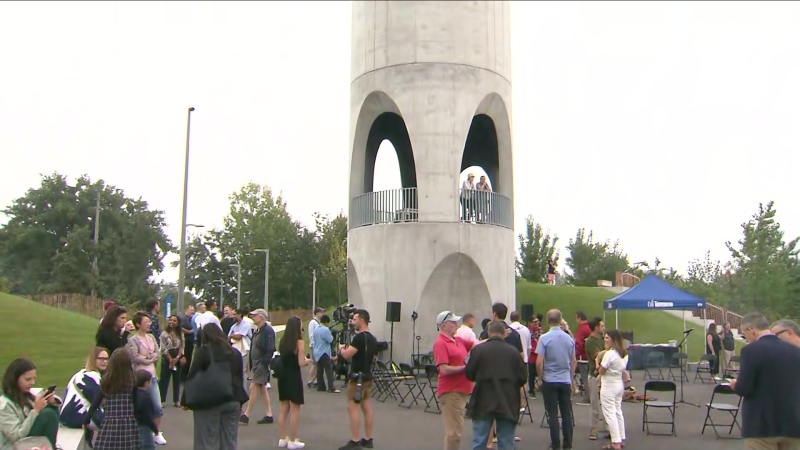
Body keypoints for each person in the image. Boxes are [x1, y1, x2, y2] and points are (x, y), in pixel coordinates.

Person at [730, 313, 800, 450]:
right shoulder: (795, 351)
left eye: (744, 334)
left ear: (751, 329)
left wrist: (735, 385)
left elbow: (745, 388)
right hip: (793, 424)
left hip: (761, 426)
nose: (746, 339)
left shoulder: (751, 351)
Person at [182, 324, 249, 450]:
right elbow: (239, 378)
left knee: (206, 442)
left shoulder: (203, 352)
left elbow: (193, 376)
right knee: (230, 441)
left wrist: (186, 400)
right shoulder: (234, 353)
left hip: (208, 401)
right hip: (232, 400)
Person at [466, 321, 527, 450]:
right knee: (506, 441)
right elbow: (522, 377)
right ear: (504, 334)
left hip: (483, 400)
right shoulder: (513, 352)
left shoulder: (479, 350)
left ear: (489, 332)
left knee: (479, 440)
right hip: (508, 400)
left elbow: (469, 374)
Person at [433, 311, 474, 450]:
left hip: (461, 389)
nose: (456, 324)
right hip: (451, 391)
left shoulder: (458, 340)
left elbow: (477, 344)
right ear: (444, 325)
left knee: (454, 431)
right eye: (453, 322)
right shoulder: (440, 343)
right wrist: (465, 368)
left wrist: (494, 337)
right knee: (454, 433)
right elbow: (443, 369)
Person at [338, 309, 378, 450]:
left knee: (352, 406)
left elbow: (348, 355)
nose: (352, 322)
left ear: (362, 320)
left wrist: (341, 349)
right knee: (367, 407)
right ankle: (368, 438)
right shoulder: (372, 338)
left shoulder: (359, 338)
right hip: (367, 376)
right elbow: (373, 357)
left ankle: (355, 441)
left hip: (357, 377)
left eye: (354, 319)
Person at [536, 309, 576, 450]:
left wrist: (541, 378)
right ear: (561, 321)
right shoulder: (569, 339)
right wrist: (570, 378)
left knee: (552, 413)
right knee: (566, 413)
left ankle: (555, 444)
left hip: (550, 378)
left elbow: (539, 361)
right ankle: (568, 443)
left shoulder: (544, 338)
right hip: (564, 379)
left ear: (547, 321)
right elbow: (573, 360)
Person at [0, 358, 61, 449]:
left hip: (28, 442)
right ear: (15, 379)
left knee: (51, 410)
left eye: (34, 379)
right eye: (28, 379)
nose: (32, 383)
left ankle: (49, 447)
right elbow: (16, 436)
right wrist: (35, 411)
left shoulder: (27, 396)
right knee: (48, 414)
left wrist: (51, 402)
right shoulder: (4, 405)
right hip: (15, 446)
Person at [86, 348, 140, 449]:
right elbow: (136, 403)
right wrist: (136, 418)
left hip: (110, 422)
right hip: (128, 423)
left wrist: (87, 418)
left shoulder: (107, 380)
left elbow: (96, 402)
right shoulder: (132, 380)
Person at [127, 312, 165, 445]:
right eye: (146, 322)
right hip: (139, 377)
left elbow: (156, 353)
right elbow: (135, 357)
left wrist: (148, 358)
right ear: (138, 324)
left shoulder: (151, 337)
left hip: (152, 376)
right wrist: (149, 358)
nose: (149, 324)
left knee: (157, 406)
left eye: (149, 322)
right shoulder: (133, 340)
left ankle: (157, 432)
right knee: (140, 406)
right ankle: (139, 432)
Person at [276, 316, 310, 449]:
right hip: (293, 376)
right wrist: (307, 361)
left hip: (283, 376)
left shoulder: (283, 341)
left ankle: (282, 438)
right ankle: (292, 439)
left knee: (283, 409)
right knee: (295, 409)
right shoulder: (299, 342)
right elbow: (301, 362)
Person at [60, 347, 108, 429]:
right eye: (101, 359)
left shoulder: (81, 373)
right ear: (93, 360)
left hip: (67, 416)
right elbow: (100, 400)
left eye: (107, 359)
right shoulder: (91, 376)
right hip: (75, 416)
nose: (105, 361)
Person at [241, 308, 275, 425]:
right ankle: (269, 414)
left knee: (253, 387)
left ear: (262, 317)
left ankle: (246, 414)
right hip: (256, 363)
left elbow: (270, 348)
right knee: (262, 389)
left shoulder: (268, 330)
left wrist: (265, 363)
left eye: (255, 316)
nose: (253, 317)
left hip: (262, 363)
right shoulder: (257, 330)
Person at [598, 329, 628, 450]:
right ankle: (621, 438)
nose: (604, 340)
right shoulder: (623, 354)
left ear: (613, 340)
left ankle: (615, 441)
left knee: (609, 413)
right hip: (618, 384)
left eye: (607, 338)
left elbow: (602, 370)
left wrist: (598, 366)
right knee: (617, 411)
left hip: (609, 385)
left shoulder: (609, 354)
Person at [584, 318, 607, 441]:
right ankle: (593, 429)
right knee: (595, 404)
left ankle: (609, 428)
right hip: (594, 375)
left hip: (605, 375)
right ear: (596, 327)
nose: (604, 328)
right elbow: (597, 356)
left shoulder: (603, 339)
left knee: (607, 403)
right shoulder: (590, 341)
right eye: (602, 326)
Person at [159, 315, 185, 407]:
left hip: (177, 356)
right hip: (167, 357)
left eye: (174, 321)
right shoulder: (164, 334)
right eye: (170, 320)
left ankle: (176, 400)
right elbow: (163, 347)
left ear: (178, 323)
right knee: (164, 379)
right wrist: (170, 359)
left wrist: (177, 358)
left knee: (177, 379)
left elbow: (182, 347)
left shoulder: (180, 334)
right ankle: (162, 400)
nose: (172, 322)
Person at [134, 370, 159, 450]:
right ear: (147, 383)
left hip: (134, 426)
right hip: (144, 427)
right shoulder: (146, 397)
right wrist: (155, 428)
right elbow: (148, 416)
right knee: (148, 446)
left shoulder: (133, 394)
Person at [312, 315, 339, 393]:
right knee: (328, 369)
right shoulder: (325, 329)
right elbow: (330, 340)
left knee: (319, 370)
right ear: (326, 322)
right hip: (324, 352)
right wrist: (333, 335)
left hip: (317, 351)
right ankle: (331, 387)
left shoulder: (316, 329)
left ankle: (321, 386)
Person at [307, 307, 324, 388]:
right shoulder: (312, 323)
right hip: (314, 345)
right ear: (317, 313)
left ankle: (316, 379)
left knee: (317, 364)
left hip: (319, 345)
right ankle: (310, 379)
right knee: (314, 363)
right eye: (321, 312)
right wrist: (314, 344)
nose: (322, 314)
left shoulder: (318, 322)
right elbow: (311, 335)